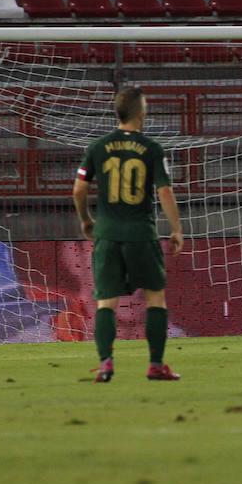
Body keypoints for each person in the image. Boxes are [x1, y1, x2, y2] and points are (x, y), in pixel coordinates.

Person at [72, 86, 184, 382]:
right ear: (141, 113)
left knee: (106, 302)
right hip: (141, 235)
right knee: (155, 298)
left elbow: (79, 188)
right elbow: (164, 191)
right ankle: (156, 364)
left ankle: (107, 363)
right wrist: (176, 229)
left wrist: (86, 220)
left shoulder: (97, 147)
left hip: (107, 235)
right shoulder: (151, 148)